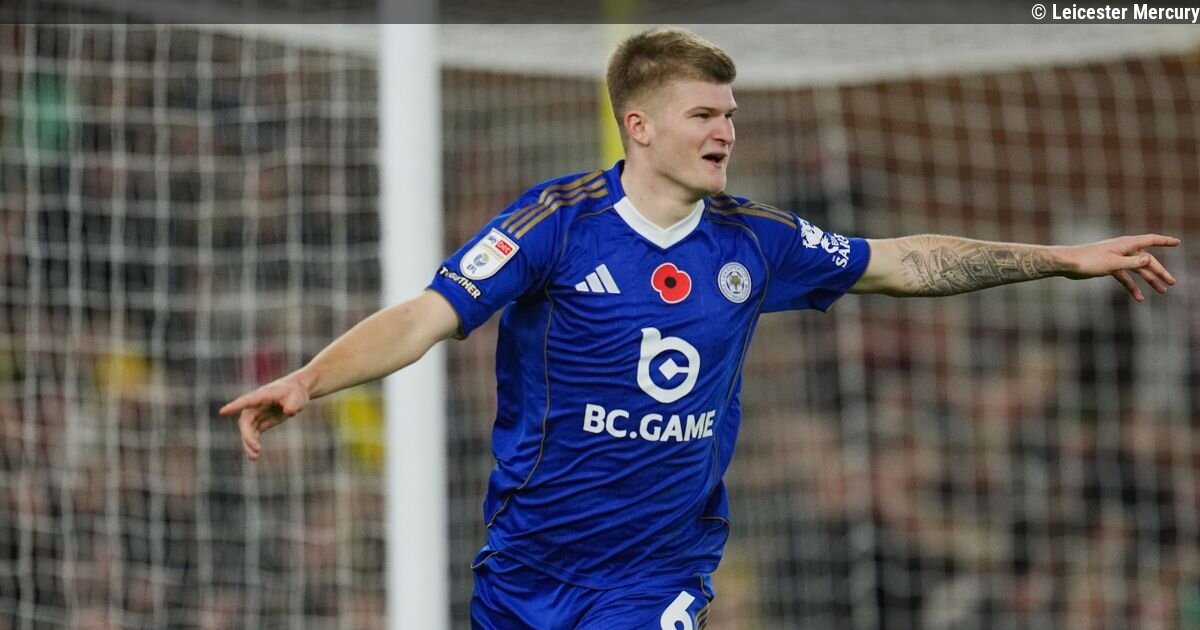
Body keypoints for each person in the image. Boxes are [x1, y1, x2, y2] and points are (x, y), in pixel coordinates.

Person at [219, 26, 1180, 629]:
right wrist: (310, 378)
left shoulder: (755, 239)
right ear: (638, 126)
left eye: (731, 114)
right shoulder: (555, 224)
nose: (726, 131)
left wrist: (1059, 260)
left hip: (657, 574)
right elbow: (426, 316)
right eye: (704, 114)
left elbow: (899, 261)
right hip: (525, 567)